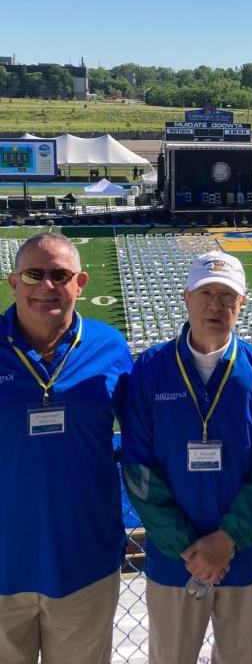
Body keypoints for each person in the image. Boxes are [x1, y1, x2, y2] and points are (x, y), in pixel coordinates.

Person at [121, 251, 252, 664]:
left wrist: (226, 540)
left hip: (246, 557)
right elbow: (138, 472)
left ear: (242, 303)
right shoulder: (149, 369)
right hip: (173, 561)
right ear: (186, 298)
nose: (215, 305)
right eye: (206, 294)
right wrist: (193, 551)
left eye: (226, 296)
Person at [0, 232, 132, 663]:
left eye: (60, 275)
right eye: (34, 274)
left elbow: (148, 435)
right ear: (13, 281)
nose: (47, 286)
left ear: (81, 283)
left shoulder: (109, 346)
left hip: (85, 563)